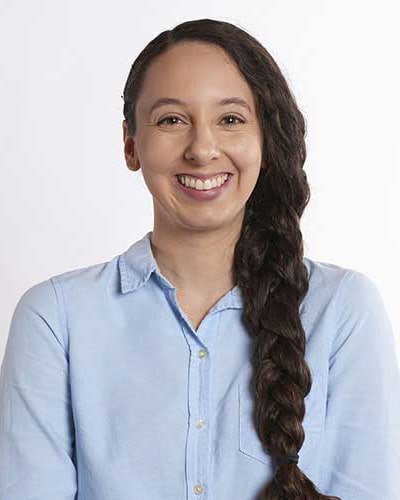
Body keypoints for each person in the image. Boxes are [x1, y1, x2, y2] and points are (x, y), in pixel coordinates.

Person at [0, 18, 399, 500]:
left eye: (230, 119)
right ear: (130, 143)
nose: (202, 149)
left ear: (265, 139)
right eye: (171, 120)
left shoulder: (343, 310)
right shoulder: (55, 319)